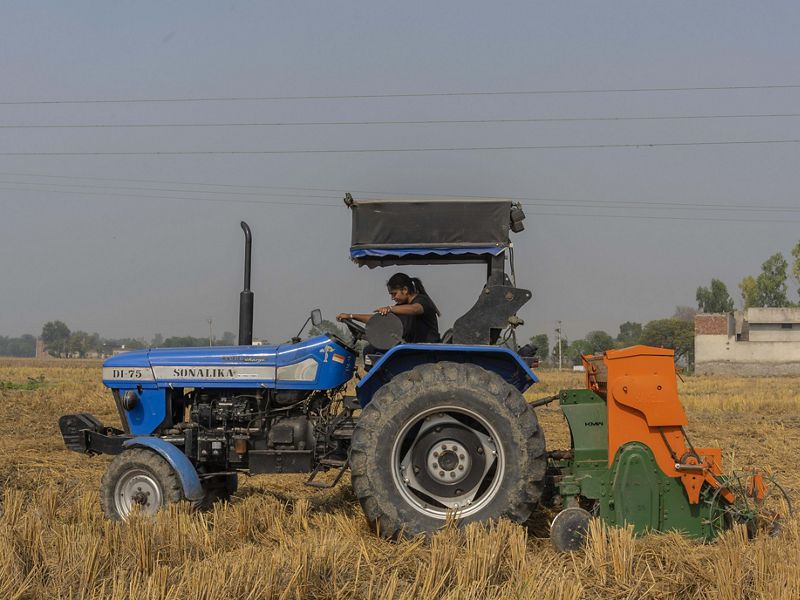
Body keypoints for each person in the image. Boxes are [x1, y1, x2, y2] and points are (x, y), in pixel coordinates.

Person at [336, 273, 441, 343]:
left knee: (372, 351)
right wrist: (351, 316)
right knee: (371, 350)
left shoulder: (422, 300)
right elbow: (378, 320)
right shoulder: (401, 307)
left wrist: (390, 308)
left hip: (424, 347)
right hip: (412, 347)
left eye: (394, 294)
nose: (392, 298)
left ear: (405, 290)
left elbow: (415, 309)